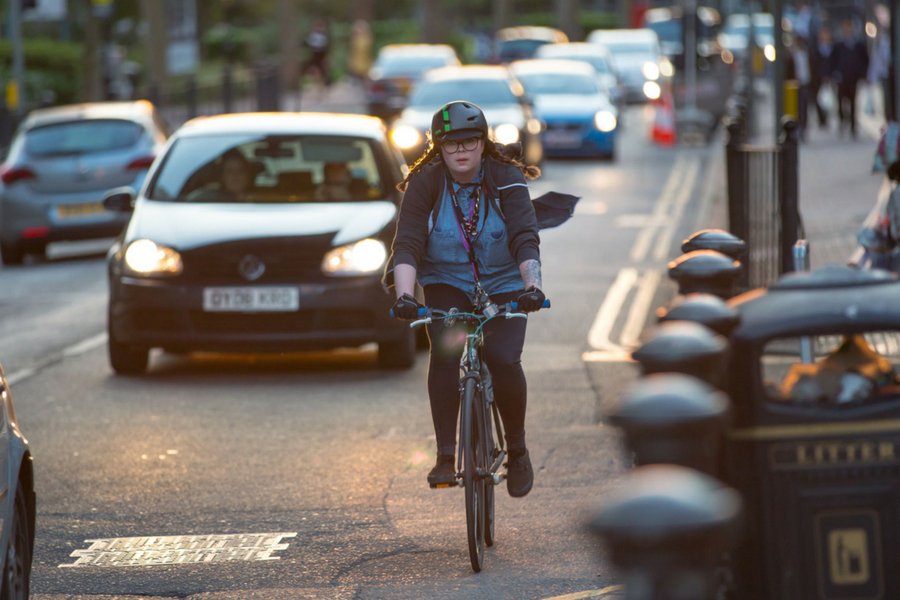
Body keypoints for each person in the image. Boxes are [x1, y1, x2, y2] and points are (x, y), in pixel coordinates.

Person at [386, 101, 545, 498]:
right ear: (438, 147)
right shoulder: (426, 180)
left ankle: (519, 450)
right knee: (445, 352)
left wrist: (532, 287)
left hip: (505, 282)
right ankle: (444, 454)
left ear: (482, 143)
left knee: (504, 358)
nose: (461, 150)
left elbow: (525, 236)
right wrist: (406, 296)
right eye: (451, 143)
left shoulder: (505, 176)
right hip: (447, 281)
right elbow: (407, 245)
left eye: (469, 141)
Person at [831, 18, 869, 138]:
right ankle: (842, 122)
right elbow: (833, 60)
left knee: (853, 102)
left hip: (853, 77)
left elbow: (865, 60)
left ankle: (853, 126)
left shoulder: (859, 44)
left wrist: (864, 74)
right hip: (841, 78)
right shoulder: (838, 44)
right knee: (841, 101)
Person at [301, 19, 331, 88]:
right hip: (314, 55)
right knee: (313, 70)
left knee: (323, 71)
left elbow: (325, 47)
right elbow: (309, 44)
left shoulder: (325, 37)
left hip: (321, 55)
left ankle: (323, 84)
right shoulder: (313, 35)